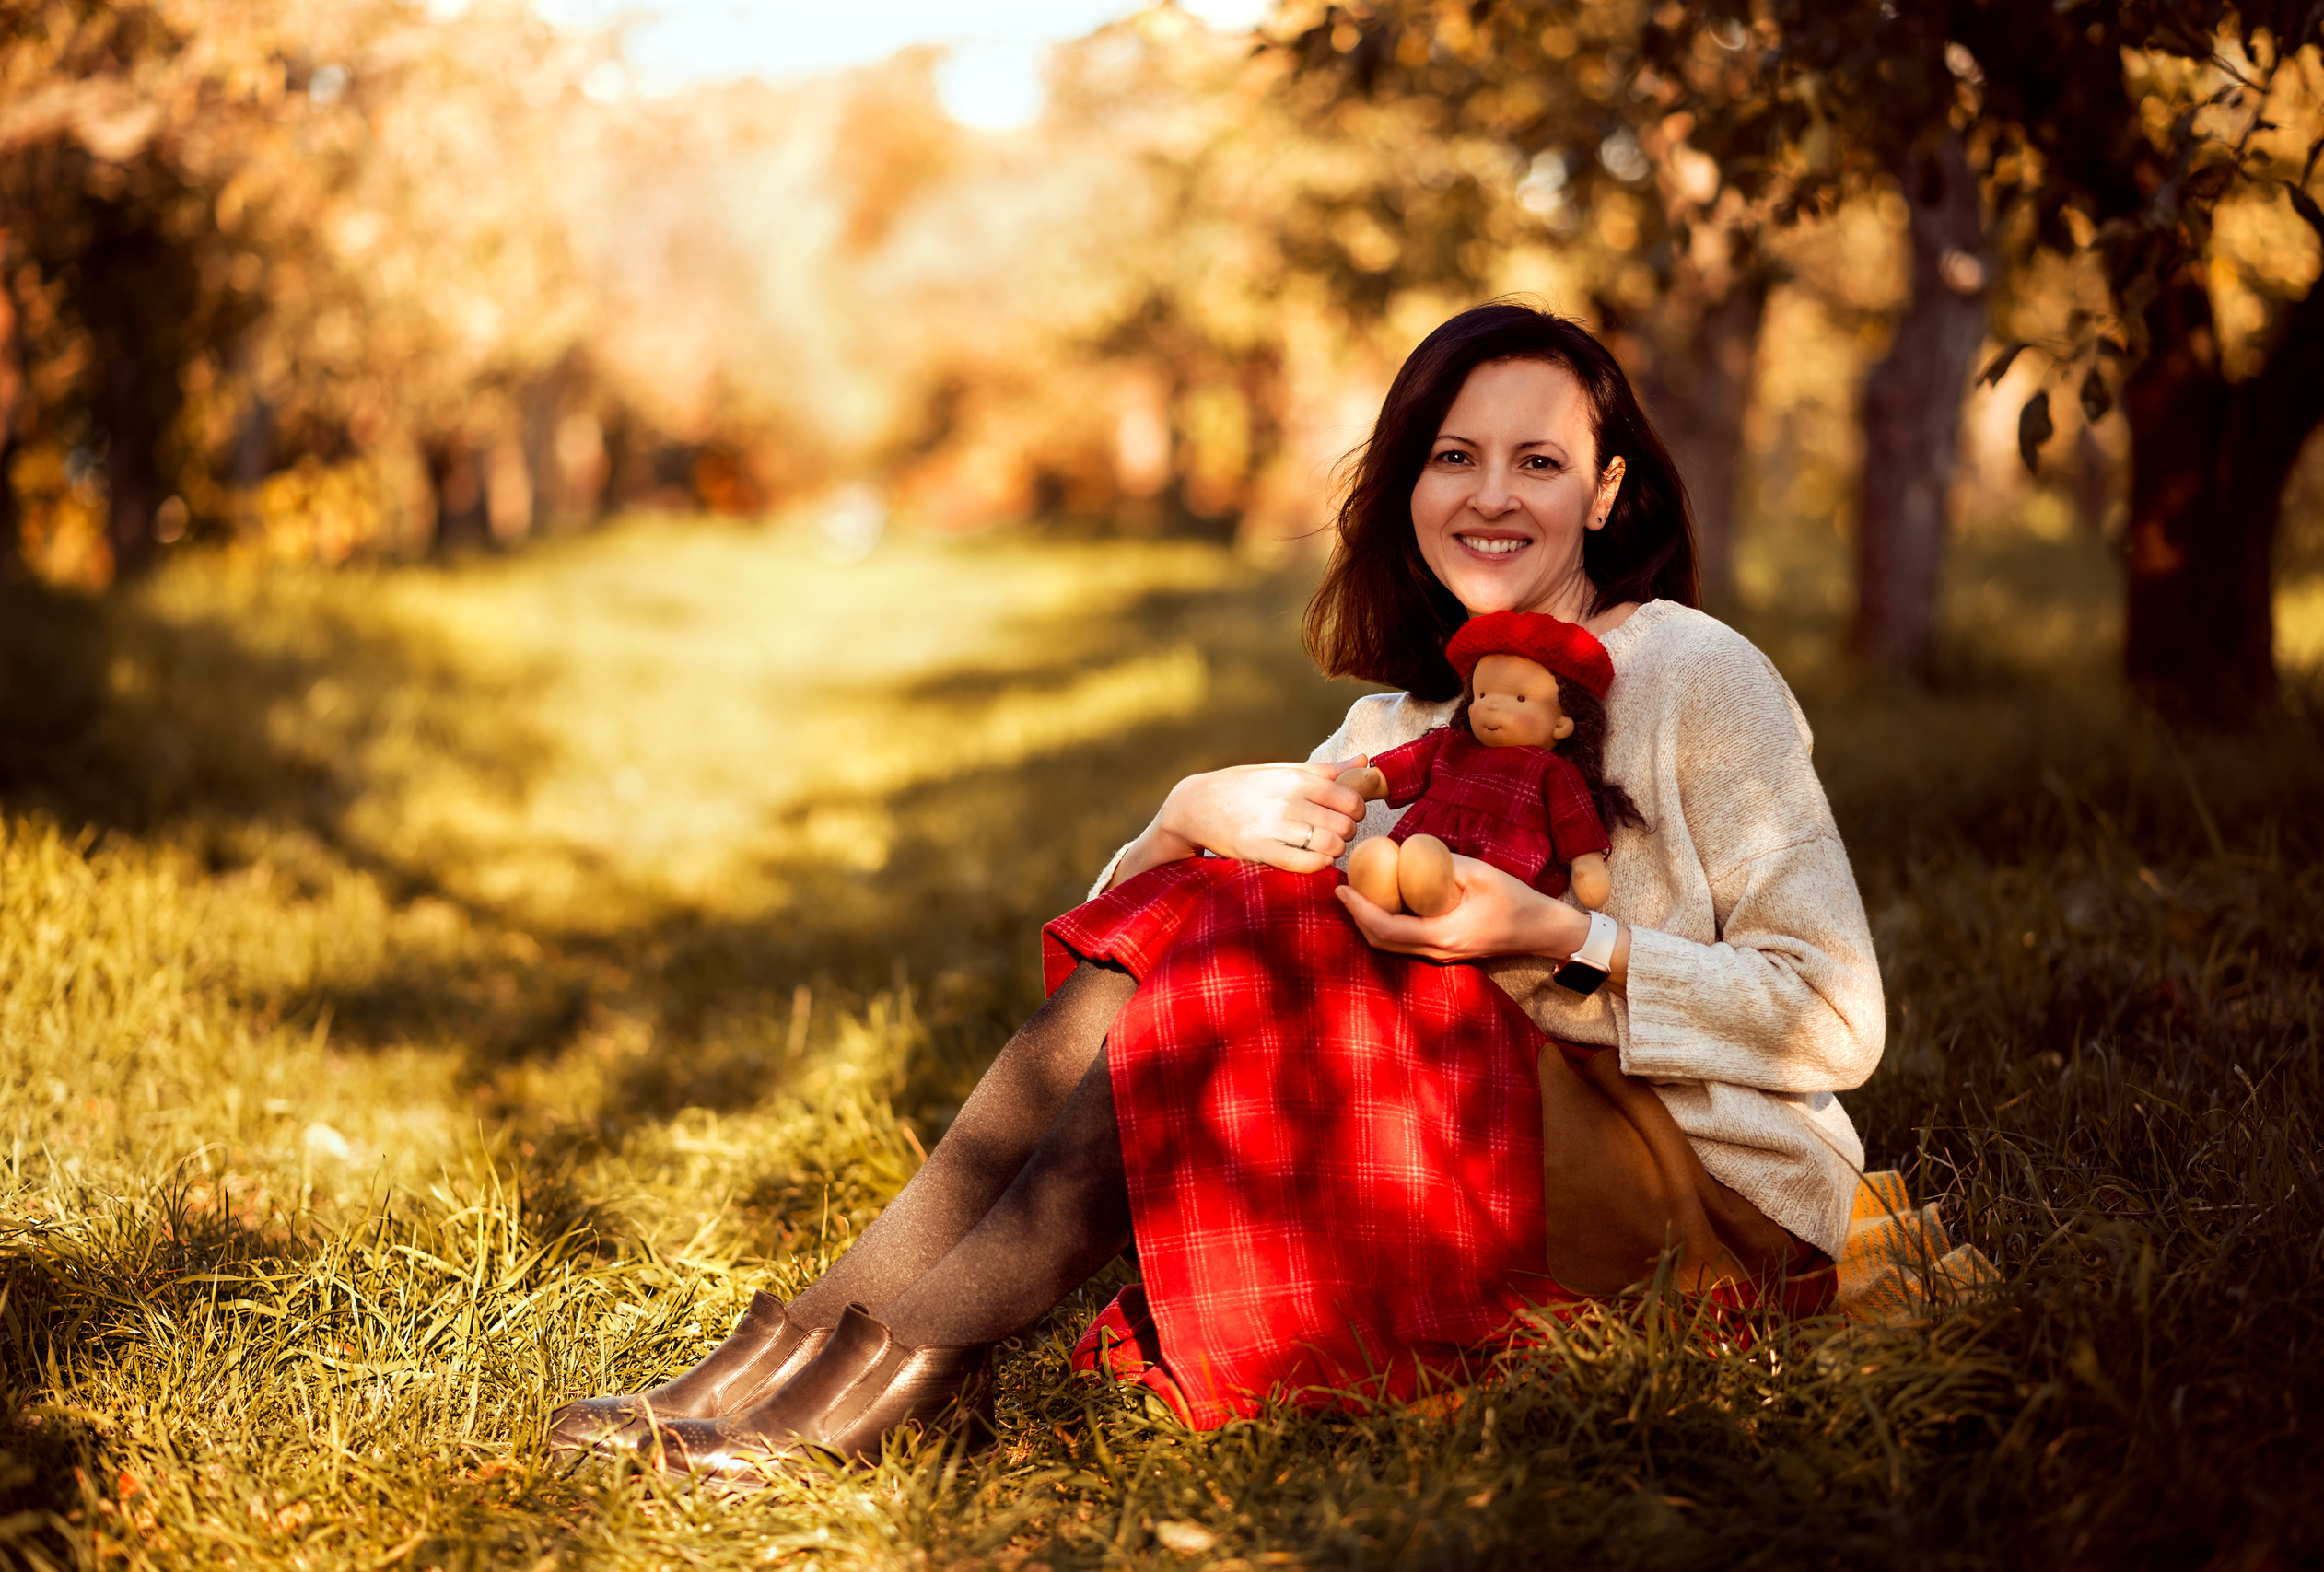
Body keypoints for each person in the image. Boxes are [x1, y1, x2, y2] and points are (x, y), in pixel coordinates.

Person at [545, 302, 1885, 1481]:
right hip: (1466, 1169)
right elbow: (1134, 984)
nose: (1491, 496)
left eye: (1538, 461)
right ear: (1408, 485)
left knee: (1266, 923)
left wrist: (1562, 934)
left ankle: (914, 1362)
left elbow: (1835, 1019)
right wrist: (1178, 819)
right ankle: (813, 1351)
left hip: (1698, 1203)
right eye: (1452, 457)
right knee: (1228, 906)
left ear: (1605, 490)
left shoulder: (1693, 672)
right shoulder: (1393, 727)